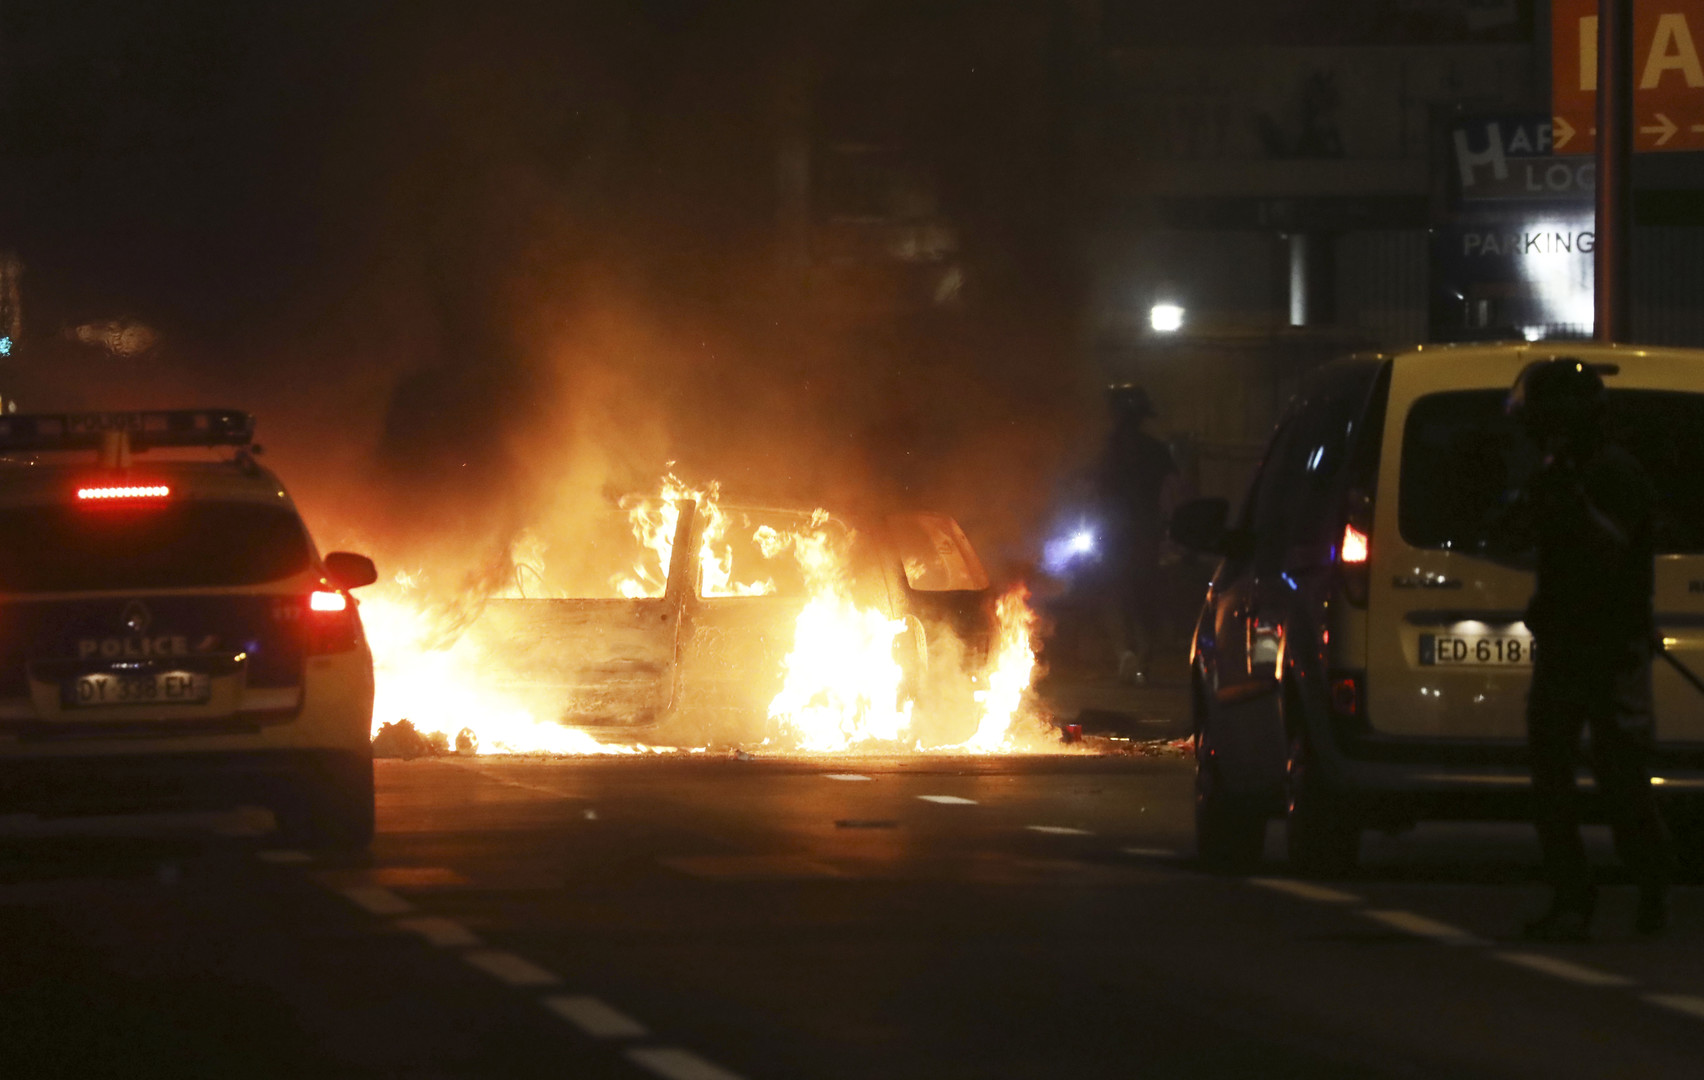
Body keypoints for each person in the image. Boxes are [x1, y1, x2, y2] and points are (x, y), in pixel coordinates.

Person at [1500, 358, 1673, 940]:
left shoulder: (1614, 474)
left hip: (1611, 647)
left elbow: (1612, 552)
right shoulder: (1564, 470)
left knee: (1621, 778)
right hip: (1568, 646)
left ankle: (1651, 886)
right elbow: (1521, 536)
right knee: (1551, 775)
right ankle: (1573, 897)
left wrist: (1570, 502)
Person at [1095, 384, 1179, 685]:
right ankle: (1141, 658)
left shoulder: (1102, 450)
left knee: (1114, 594)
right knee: (1143, 596)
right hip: (1145, 534)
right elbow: (1173, 493)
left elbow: (1086, 493)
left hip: (1112, 535)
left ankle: (1124, 653)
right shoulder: (1156, 451)